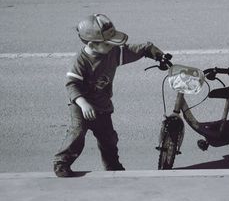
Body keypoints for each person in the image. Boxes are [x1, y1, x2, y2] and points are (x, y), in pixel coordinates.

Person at [53, 13, 164, 177]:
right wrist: (83, 104)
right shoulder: (80, 61)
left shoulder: (111, 53)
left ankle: (113, 166)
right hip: (81, 105)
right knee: (77, 132)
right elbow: (71, 85)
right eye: (108, 44)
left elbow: (131, 50)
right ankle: (62, 163)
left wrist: (150, 50)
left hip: (102, 105)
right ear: (92, 44)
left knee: (109, 140)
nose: (113, 46)